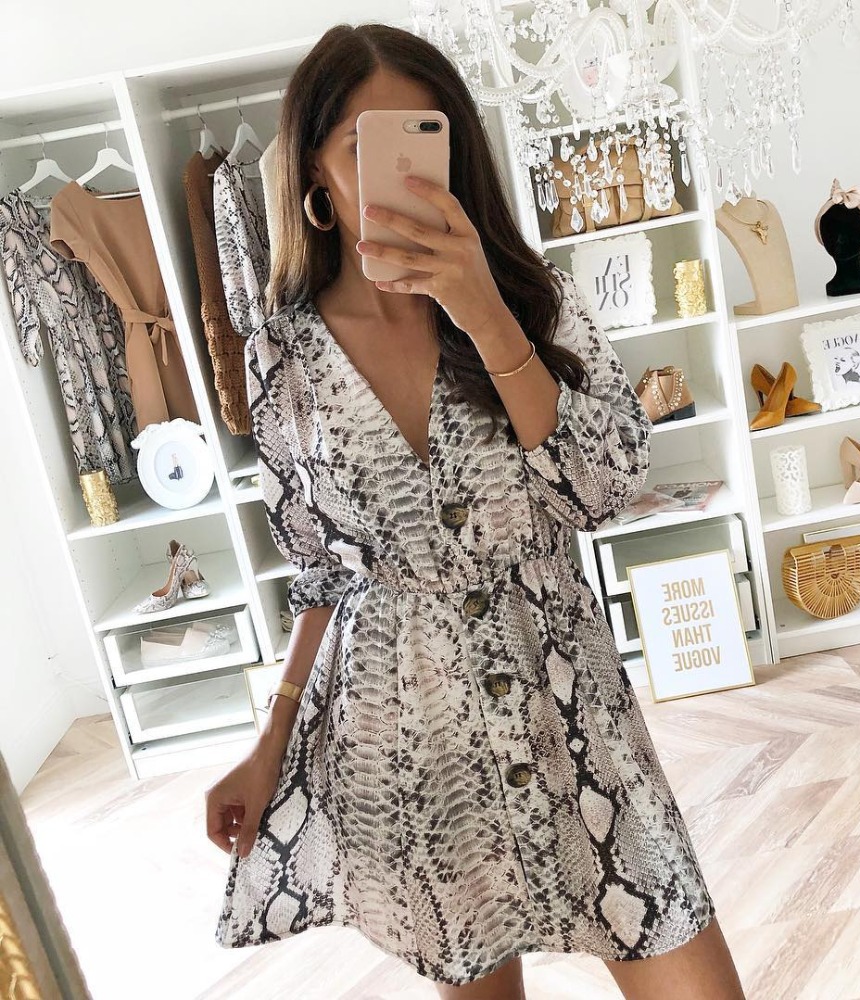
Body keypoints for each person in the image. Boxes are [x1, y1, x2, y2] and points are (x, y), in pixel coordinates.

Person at [205, 22, 745, 1000]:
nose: (399, 175)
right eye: (362, 147)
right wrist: (267, 745)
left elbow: (602, 487)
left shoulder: (535, 302)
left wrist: (485, 314)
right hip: (419, 740)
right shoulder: (280, 359)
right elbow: (322, 577)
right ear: (314, 171)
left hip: (571, 713)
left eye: (424, 139)